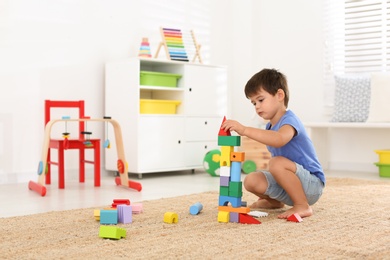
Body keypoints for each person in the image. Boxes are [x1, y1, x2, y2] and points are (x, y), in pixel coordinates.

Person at [221, 68, 325, 219]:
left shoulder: (290, 121)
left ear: (279, 95)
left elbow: (279, 139)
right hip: (288, 186)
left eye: (261, 100)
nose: (257, 106)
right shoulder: (270, 126)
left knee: (276, 163)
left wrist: (244, 130)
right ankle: (274, 202)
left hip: (311, 185)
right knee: (251, 180)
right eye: (253, 102)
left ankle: (302, 205)